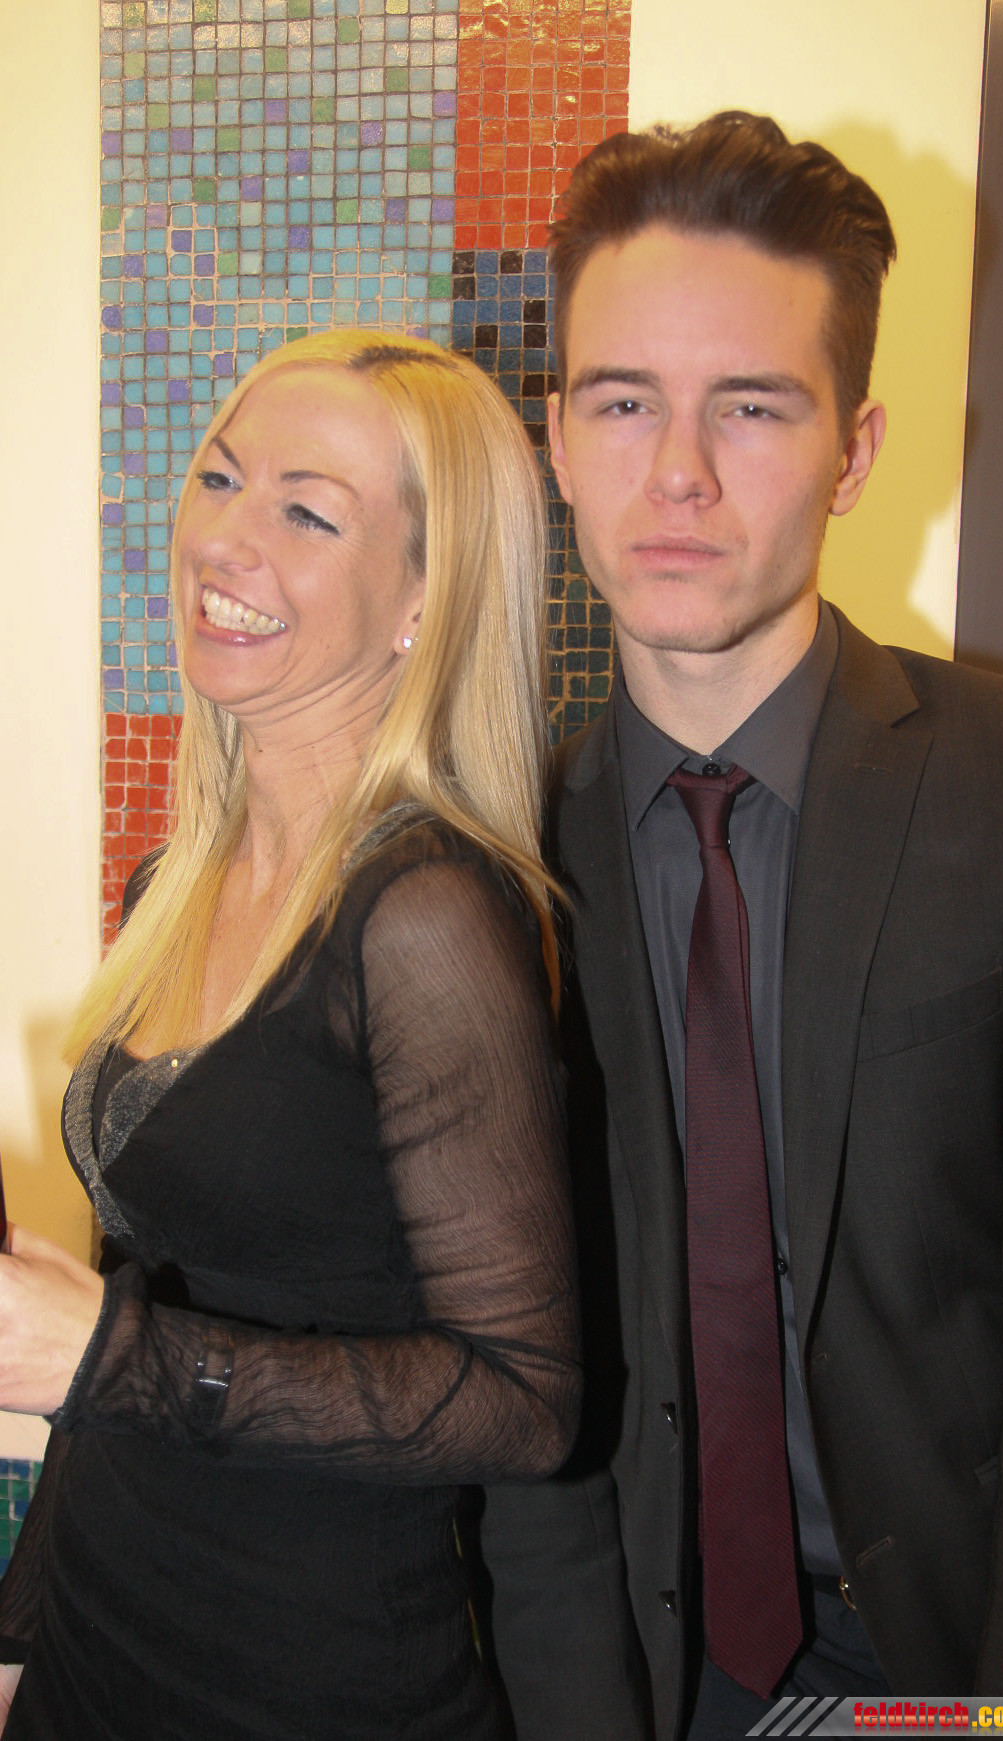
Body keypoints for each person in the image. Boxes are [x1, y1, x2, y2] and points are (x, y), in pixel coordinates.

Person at [478, 112, 1003, 1738]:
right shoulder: (499, 848)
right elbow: (522, 1384)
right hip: (645, 1677)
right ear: (556, 438)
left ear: (853, 452)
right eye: (622, 402)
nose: (678, 472)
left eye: (751, 406)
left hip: (953, 1663)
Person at [0, 329, 580, 1739]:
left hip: (306, 1680)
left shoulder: (427, 915)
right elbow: (139, 1282)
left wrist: (114, 1356)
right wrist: (17, 1631)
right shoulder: (174, 883)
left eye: (307, 512)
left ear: (423, 599)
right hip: (95, 1634)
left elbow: (523, 1401)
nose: (224, 538)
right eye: (219, 477)